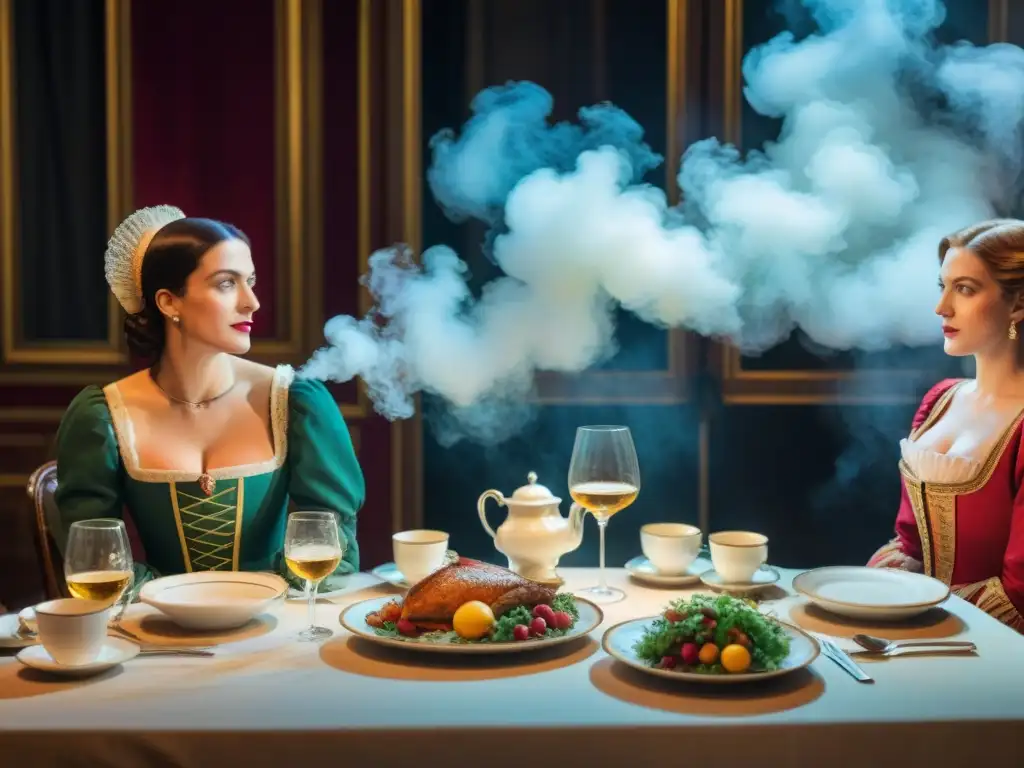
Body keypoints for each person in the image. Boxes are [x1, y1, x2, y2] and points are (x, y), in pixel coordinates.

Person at [53, 205, 365, 596]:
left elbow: (334, 555)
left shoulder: (295, 402)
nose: (251, 302)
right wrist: (173, 602)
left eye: (250, 281)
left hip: (274, 629)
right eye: (226, 284)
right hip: (158, 635)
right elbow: (91, 560)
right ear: (169, 302)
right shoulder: (104, 416)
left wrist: (246, 597)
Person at [868, 219, 1024, 634]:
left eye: (966, 289)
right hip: (914, 628)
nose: (942, 307)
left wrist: (918, 626)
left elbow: (1020, 589)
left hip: (993, 648)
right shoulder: (940, 400)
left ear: (1019, 303)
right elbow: (909, 544)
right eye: (943, 286)